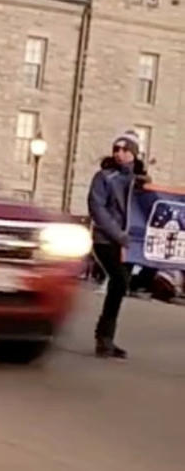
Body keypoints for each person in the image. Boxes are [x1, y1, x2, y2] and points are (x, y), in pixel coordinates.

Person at [88, 130, 146, 359]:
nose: (120, 153)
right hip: (106, 240)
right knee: (119, 280)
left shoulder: (138, 181)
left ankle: (105, 338)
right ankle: (104, 338)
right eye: (116, 149)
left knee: (119, 287)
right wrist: (117, 234)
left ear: (134, 153)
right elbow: (97, 208)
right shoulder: (104, 177)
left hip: (130, 243)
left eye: (125, 149)